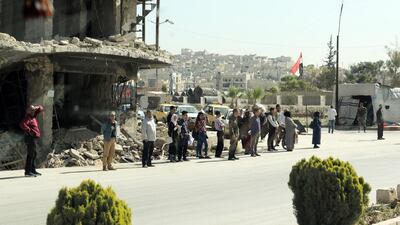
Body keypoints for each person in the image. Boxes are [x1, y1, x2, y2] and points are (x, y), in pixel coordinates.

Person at [20, 105, 44, 177]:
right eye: (32, 111)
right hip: (30, 138)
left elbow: (41, 108)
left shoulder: (33, 116)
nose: (34, 112)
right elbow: (22, 124)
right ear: (29, 112)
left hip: (33, 139)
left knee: (34, 154)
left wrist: (35, 107)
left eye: (34, 111)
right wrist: (29, 130)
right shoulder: (28, 118)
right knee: (31, 154)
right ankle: (27, 172)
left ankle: (32, 170)